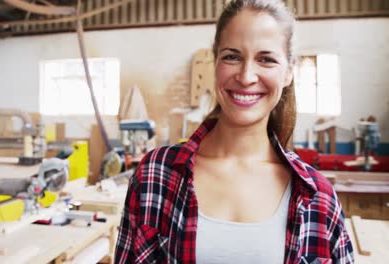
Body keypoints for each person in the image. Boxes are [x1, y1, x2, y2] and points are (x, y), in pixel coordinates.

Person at [115, 0, 354, 263]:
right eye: (232, 56)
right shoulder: (156, 175)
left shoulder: (318, 198)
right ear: (214, 61)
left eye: (266, 59)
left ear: (288, 72)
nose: (246, 76)